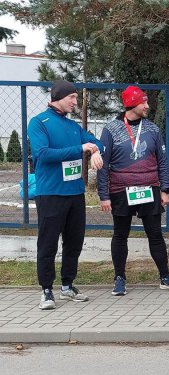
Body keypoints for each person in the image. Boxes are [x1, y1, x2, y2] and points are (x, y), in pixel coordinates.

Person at [97, 85, 169, 295]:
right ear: (132, 104)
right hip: (120, 190)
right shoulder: (110, 129)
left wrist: (165, 189)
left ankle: (165, 276)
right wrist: (104, 195)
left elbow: (163, 162)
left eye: (146, 101)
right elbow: (103, 164)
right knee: (120, 235)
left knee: (155, 235)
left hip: (149, 188)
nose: (147, 105)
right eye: (143, 102)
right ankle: (119, 278)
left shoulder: (153, 129)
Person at [27, 79, 104, 310]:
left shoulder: (73, 127)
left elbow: (96, 142)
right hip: (50, 193)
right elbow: (43, 154)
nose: (75, 102)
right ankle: (46, 290)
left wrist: (95, 151)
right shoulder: (39, 122)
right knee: (48, 244)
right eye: (72, 97)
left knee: (74, 243)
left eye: (76, 98)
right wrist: (81, 149)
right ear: (58, 97)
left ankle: (67, 286)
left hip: (75, 194)